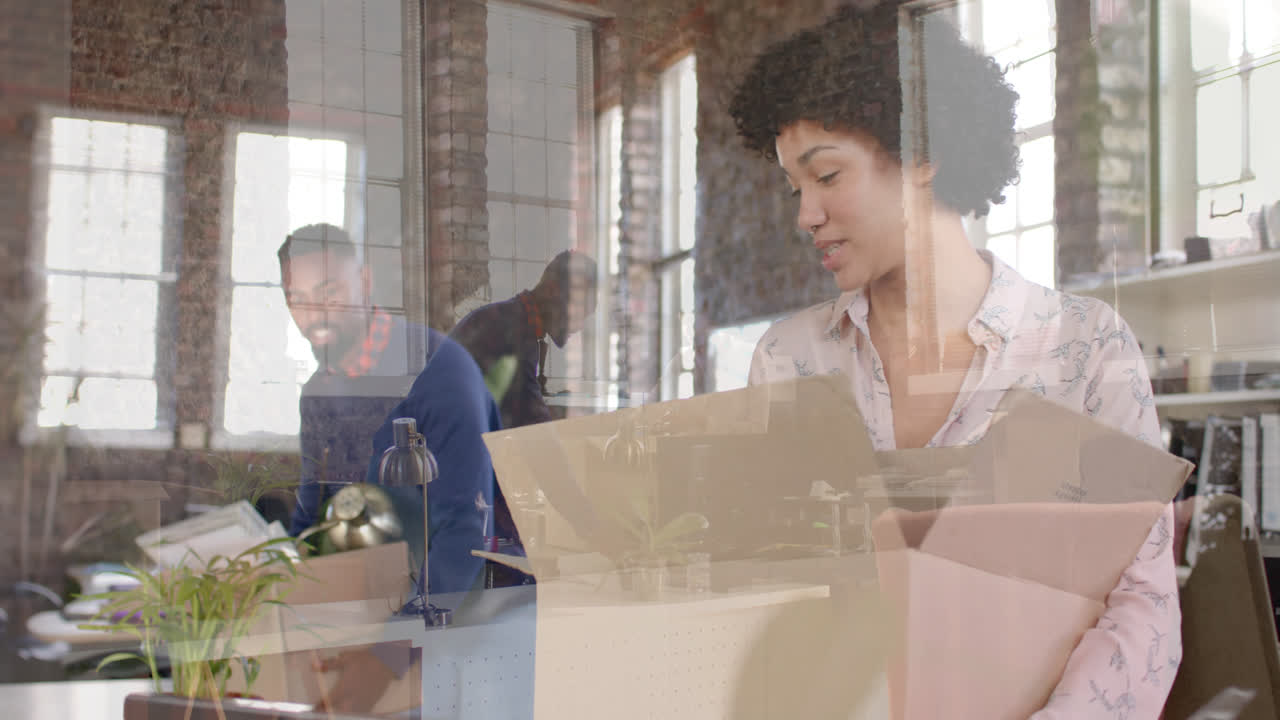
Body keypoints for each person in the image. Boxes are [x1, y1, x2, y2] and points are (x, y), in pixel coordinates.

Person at [730, 5, 1178, 718]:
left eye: (827, 176)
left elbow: (1142, 609)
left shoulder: (1085, 349)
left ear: (921, 154)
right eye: (795, 188)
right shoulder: (788, 360)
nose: (805, 214)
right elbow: (765, 594)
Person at [449, 249, 599, 430]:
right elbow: (536, 431)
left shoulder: (511, 319)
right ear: (553, 290)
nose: (580, 324)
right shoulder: (513, 336)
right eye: (580, 308)